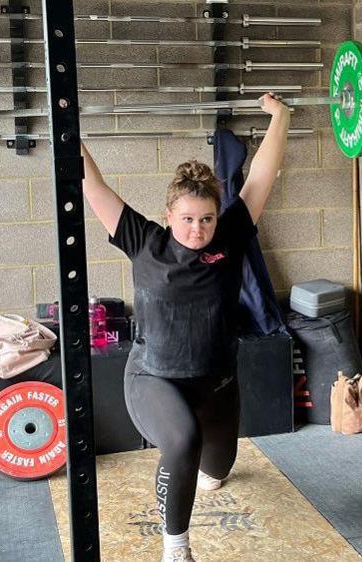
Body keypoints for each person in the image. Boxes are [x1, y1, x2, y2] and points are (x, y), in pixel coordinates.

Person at [80, 93, 290, 562]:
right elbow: (93, 186)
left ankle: (199, 469)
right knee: (181, 443)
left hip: (216, 384)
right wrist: (68, 131)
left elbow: (260, 177)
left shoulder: (231, 236)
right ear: (169, 215)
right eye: (188, 219)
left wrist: (281, 117)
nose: (198, 229)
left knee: (216, 469)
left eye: (207, 219)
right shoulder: (144, 240)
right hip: (153, 377)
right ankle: (176, 549)